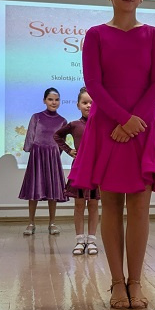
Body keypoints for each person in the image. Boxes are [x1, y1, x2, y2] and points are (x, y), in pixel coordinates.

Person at [68, 0, 155, 309]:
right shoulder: (95, 35)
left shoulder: (153, 35)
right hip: (108, 129)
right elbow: (94, 83)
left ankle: (136, 281)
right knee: (110, 205)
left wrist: (135, 121)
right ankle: (117, 283)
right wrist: (123, 119)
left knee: (139, 207)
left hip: (142, 129)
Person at [53, 87, 100, 256]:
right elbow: (57, 136)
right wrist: (68, 150)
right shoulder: (74, 125)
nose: (88, 106)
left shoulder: (101, 124)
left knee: (93, 204)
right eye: (85, 102)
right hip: (80, 169)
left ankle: (92, 240)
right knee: (79, 204)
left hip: (96, 170)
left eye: (92, 103)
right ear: (78, 105)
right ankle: (80, 240)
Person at [20, 87, 68, 235]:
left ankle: (52, 223)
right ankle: (31, 223)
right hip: (37, 157)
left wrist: (54, 154)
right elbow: (30, 138)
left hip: (52, 158)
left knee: (52, 191)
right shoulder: (36, 117)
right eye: (50, 99)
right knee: (34, 190)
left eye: (57, 100)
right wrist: (32, 149)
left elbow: (61, 143)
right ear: (44, 101)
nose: (54, 102)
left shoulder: (62, 121)